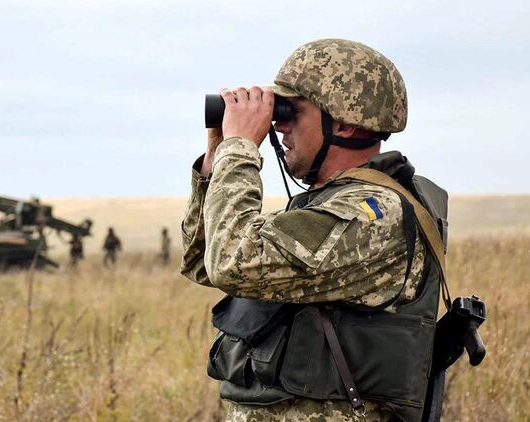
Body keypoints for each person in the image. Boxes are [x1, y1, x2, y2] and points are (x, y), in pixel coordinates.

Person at [180, 39, 448, 422]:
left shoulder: (376, 214)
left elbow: (231, 263)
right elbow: (203, 263)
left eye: (292, 111)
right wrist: (215, 159)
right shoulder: (326, 206)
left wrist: (240, 150)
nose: (278, 125)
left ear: (344, 124)